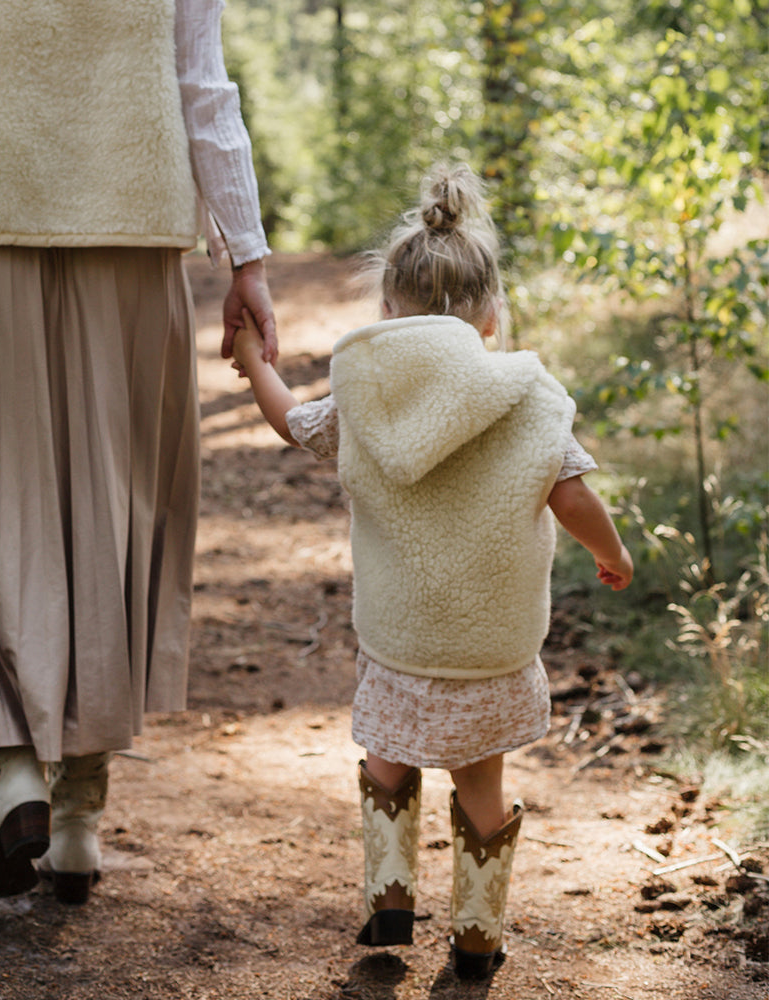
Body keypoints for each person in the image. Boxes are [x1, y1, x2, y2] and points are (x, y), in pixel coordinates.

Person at [0, 0, 277, 906]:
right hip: (131, 230)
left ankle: (14, 779)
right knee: (110, 511)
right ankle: (78, 817)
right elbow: (203, 83)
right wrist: (247, 256)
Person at [231, 162, 633, 979]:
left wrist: (253, 359)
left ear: (386, 310)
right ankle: (478, 938)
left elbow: (291, 422)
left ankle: (389, 894)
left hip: (400, 637)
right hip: (487, 643)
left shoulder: (364, 399)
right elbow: (572, 493)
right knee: (482, 785)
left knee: (389, 757)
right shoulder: (527, 395)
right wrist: (611, 552)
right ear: (490, 315)